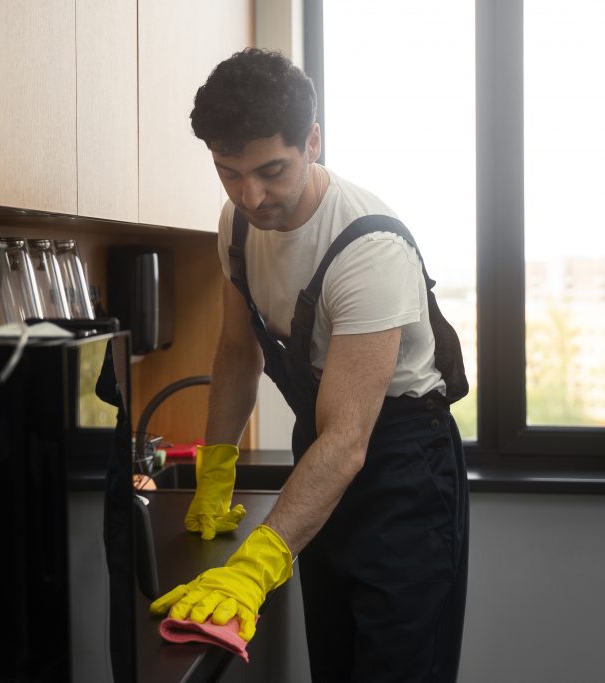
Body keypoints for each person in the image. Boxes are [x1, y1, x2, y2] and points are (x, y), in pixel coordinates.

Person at [148, 47, 470, 683]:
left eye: (270, 169)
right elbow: (238, 352)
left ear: (313, 141)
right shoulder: (236, 226)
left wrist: (253, 566)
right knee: (335, 662)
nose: (251, 195)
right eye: (229, 173)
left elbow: (350, 439)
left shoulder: (368, 246)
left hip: (402, 464)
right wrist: (217, 469)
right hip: (319, 446)